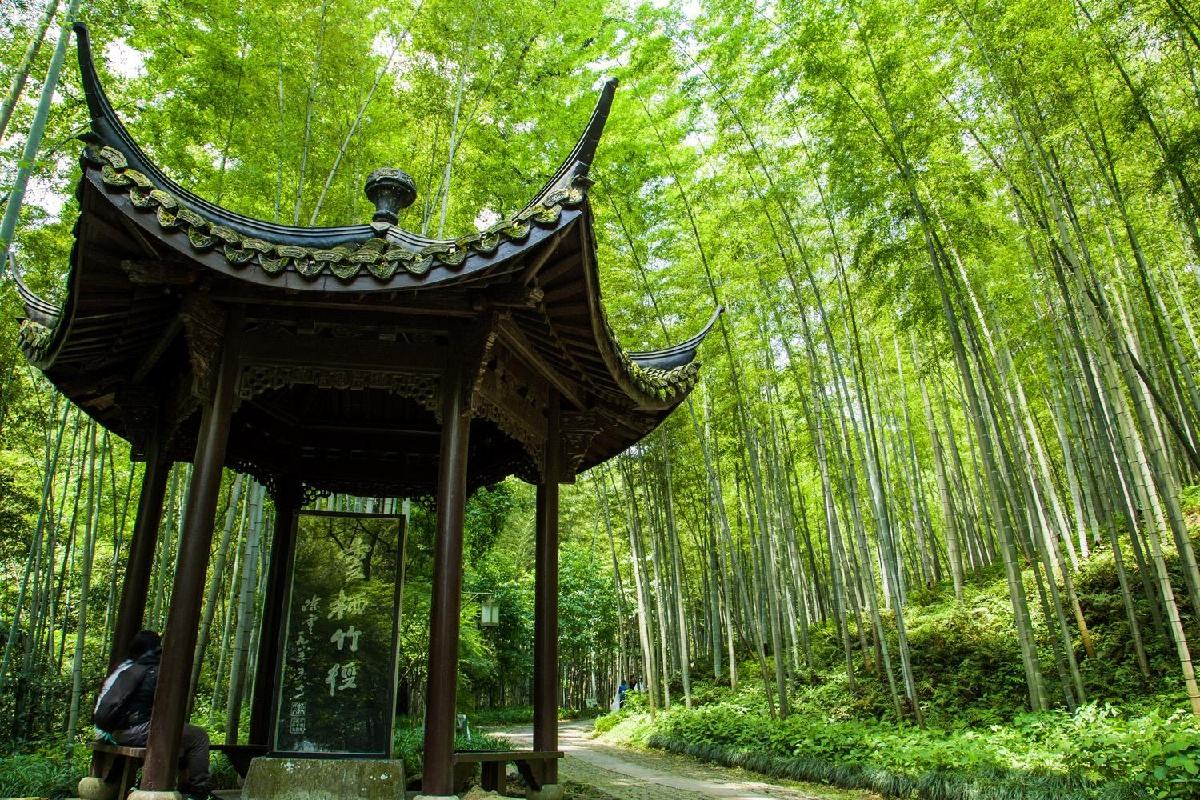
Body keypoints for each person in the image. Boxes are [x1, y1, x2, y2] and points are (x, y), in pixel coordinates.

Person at [94, 631, 212, 800]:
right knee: (198, 736)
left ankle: (128, 781)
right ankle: (198, 791)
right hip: (135, 730)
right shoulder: (152, 671)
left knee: (178, 737)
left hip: (109, 731)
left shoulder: (125, 667)